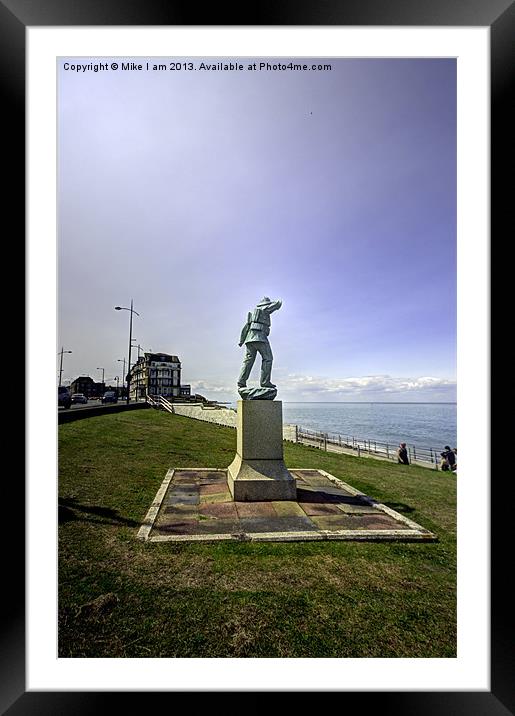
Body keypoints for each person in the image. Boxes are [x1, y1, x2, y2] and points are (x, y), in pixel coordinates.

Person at [237, 297, 282, 389]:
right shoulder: (264, 309)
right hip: (260, 338)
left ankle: (241, 380)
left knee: (248, 361)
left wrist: (241, 340)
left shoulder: (253, 314)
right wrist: (278, 303)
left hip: (249, 340)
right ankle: (265, 382)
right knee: (268, 358)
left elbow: (245, 327)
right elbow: (275, 305)